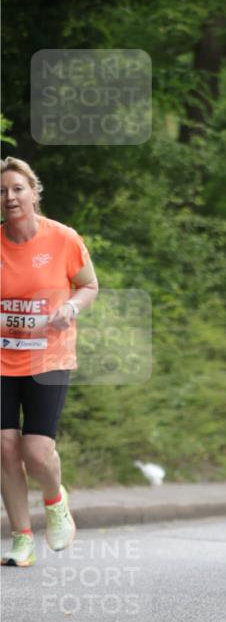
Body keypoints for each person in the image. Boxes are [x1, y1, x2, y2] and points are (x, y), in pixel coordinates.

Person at [1, 157, 99, 567]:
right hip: (2, 358)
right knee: (5, 447)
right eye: (3, 192)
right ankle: (21, 538)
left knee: (36, 451)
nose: (10, 197)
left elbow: (89, 284)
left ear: (34, 192)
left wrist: (71, 308)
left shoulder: (63, 239)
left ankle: (55, 501)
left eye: (17, 189)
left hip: (49, 356)